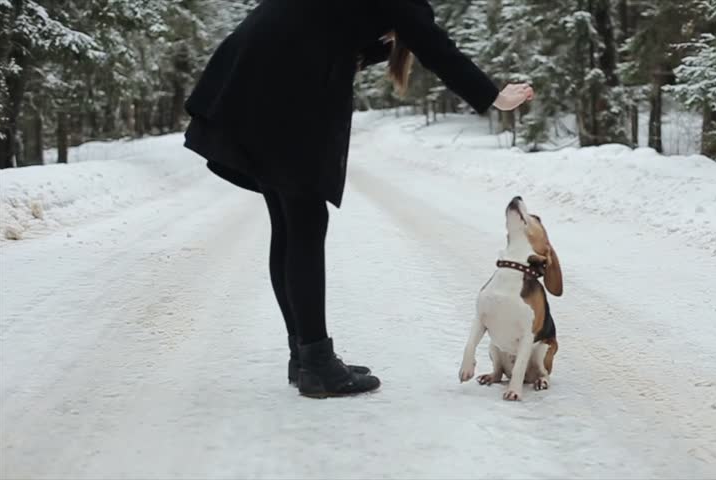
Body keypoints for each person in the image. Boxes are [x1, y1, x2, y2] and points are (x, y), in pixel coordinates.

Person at [183, 0, 534, 399]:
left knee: (289, 217)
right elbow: (433, 46)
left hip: (258, 68)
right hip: (282, 80)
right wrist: (493, 96)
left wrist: (381, 43)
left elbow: (340, 27)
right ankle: (315, 362)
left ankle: (305, 355)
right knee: (304, 218)